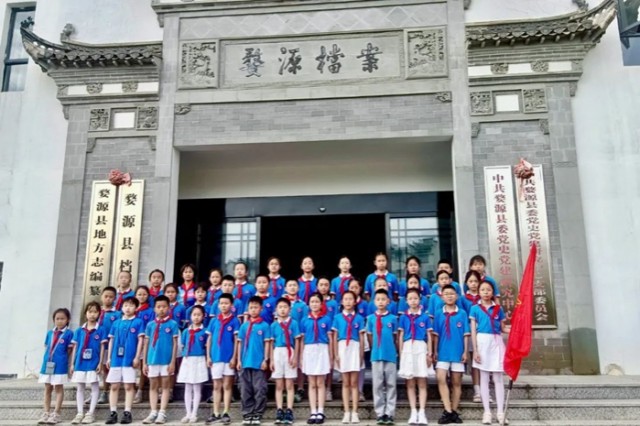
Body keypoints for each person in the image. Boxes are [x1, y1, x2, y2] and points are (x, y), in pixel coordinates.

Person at [470, 281, 508, 425]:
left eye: (488, 290)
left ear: (493, 292)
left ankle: (500, 412)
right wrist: (475, 350)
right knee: (484, 378)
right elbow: (473, 331)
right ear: (479, 292)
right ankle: (487, 412)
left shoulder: (498, 308)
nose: (486, 292)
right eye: (483, 290)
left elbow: (503, 328)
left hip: (496, 342)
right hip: (482, 343)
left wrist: (518, 330)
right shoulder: (475, 308)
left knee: (498, 378)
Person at [432, 284, 469, 425]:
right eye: (446, 293)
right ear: (442, 297)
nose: (449, 296)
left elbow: (466, 335)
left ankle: (453, 411)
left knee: (456, 381)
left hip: (458, 352)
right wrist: (435, 351)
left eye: (452, 293)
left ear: (457, 296)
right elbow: (436, 334)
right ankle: (447, 410)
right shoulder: (438, 313)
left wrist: (465, 351)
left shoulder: (462, 313)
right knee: (441, 378)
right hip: (442, 352)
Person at [141, 295, 180, 424]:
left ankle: (162, 412)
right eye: (158, 307)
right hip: (152, 360)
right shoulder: (150, 325)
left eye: (164, 307)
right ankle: (153, 412)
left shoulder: (173, 324)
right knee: (153, 386)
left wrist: (173, 361)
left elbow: (175, 344)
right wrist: (145, 362)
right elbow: (146, 344)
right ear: (154, 309)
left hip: (166, 361)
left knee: (165, 386)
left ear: (168, 308)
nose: (161, 309)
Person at [105, 297, 144, 425]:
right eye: (125, 305)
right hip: (116, 359)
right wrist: (109, 357)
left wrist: (137, 357)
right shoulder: (116, 323)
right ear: (121, 307)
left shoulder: (138, 322)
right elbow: (111, 340)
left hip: (129, 359)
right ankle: (113, 412)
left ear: (136, 308)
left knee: (128, 386)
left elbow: (140, 341)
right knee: (114, 386)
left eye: (131, 305)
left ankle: (127, 412)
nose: (128, 308)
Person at [397, 289, 433, 426]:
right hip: (408, 348)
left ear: (420, 300)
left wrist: (429, 353)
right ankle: (413, 411)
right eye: (410, 298)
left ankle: (422, 412)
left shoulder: (425, 317)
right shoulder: (403, 317)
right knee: (410, 382)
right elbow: (401, 336)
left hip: (421, 348)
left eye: (415, 298)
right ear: (406, 301)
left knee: (422, 382)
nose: (413, 301)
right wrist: (401, 353)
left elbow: (429, 336)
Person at [206, 293, 240, 425]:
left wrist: (234, 357)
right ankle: (215, 412)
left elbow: (236, 341)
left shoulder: (235, 321)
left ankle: (226, 412)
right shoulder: (214, 321)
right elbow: (209, 339)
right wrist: (208, 356)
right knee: (216, 386)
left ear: (231, 305)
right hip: (216, 357)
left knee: (227, 385)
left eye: (226, 303)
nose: (223, 306)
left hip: (228, 358)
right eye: (221, 303)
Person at [332, 291, 365, 424]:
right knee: (345, 382)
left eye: (350, 299)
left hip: (354, 347)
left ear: (355, 301)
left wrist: (361, 354)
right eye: (345, 299)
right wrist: (335, 354)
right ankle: (346, 411)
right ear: (342, 301)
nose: (348, 301)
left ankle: (355, 412)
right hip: (342, 348)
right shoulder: (337, 318)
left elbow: (361, 338)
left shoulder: (359, 318)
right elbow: (335, 337)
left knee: (354, 382)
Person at [236, 296, 271, 425]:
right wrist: (238, 360)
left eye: (256, 307)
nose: (253, 310)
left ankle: (258, 412)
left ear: (261, 309)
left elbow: (267, 344)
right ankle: (247, 412)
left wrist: (265, 359)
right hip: (245, 362)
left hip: (258, 362)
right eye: (251, 307)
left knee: (259, 388)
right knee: (245, 389)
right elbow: (240, 343)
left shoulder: (265, 326)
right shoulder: (244, 326)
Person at [70, 302, 106, 425]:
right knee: (80, 387)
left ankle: (91, 413)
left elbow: (102, 347)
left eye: (95, 312)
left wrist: (100, 363)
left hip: (93, 362)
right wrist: (72, 364)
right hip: (80, 362)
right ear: (85, 313)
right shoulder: (79, 330)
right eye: (90, 312)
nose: (92, 314)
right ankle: (79, 412)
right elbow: (75, 347)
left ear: (99, 314)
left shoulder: (101, 330)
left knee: (94, 386)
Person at [366, 289, 398, 425]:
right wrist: (375, 348)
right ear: (374, 301)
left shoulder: (393, 318)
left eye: (383, 299)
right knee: (377, 384)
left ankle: (389, 413)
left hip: (390, 355)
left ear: (388, 301)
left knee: (391, 384)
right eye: (378, 299)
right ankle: (380, 413)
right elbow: (369, 336)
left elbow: (395, 337)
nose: (381, 302)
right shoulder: (370, 318)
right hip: (376, 355)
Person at [300, 293, 332, 424]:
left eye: (317, 302)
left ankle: (321, 411)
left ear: (321, 304)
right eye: (312, 302)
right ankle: (313, 411)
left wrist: (331, 355)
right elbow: (302, 340)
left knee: (320, 382)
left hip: (322, 350)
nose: (314, 304)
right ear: (308, 304)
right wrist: (301, 356)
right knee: (312, 383)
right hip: (309, 350)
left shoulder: (327, 319)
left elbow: (330, 338)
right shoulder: (304, 320)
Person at [38, 308, 74, 425]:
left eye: (62, 318)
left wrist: (65, 362)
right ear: (54, 320)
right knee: (47, 388)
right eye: (57, 319)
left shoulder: (69, 334)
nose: (59, 321)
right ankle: (46, 412)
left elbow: (69, 350)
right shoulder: (50, 333)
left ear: (68, 320)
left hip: (60, 365)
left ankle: (56, 413)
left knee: (58, 388)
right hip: (47, 364)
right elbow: (47, 347)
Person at [270, 298, 301, 425]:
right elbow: (271, 343)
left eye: (285, 307)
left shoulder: (294, 323)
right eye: (280, 307)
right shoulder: (273, 325)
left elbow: (297, 341)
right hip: (277, 352)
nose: (282, 310)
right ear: (276, 310)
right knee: (279, 385)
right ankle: (279, 410)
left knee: (289, 384)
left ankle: (289, 410)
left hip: (290, 352)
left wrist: (295, 357)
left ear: (290, 309)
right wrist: (271, 359)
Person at [178, 305, 209, 423]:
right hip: (187, 359)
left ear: (203, 316)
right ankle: (188, 413)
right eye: (194, 315)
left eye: (199, 315)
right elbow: (183, 345)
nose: (196, 317)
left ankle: (194, 413)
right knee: (188, 387)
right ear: (190, 316)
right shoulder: (186, 331)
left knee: (197, 387)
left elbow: (206, 346)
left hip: (199, 359)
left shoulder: (205, 332)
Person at [461, 270, 482, 403]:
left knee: (482, 360)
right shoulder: (463, 299)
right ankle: (476, 390)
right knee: (473, 359)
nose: (473, 284)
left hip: (483, 330)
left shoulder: (484, 296)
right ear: (466, 283)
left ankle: (483, 390)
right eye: (470, 281)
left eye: (475, 281)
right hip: (469, 330)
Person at [97, 286, 121, 404]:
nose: (108, 299)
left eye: (111, 297)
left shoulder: (117, 314)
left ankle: (106, 391)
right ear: (101, 296)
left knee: (106, 369)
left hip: (109, 346)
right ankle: (95, 392)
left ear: (115, 298)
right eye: (106, 296)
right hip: (96, 345)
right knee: (97, 369)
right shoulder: (96, 312)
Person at [348, 278, 368, 403]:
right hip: (347, 337)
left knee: (360, 362)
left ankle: (359, 390)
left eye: (356, 287)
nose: (354, 289)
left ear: (360, 289)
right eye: (351, 287)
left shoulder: (364, 304)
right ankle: (349, 390)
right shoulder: (344, 303)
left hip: (361, 333)